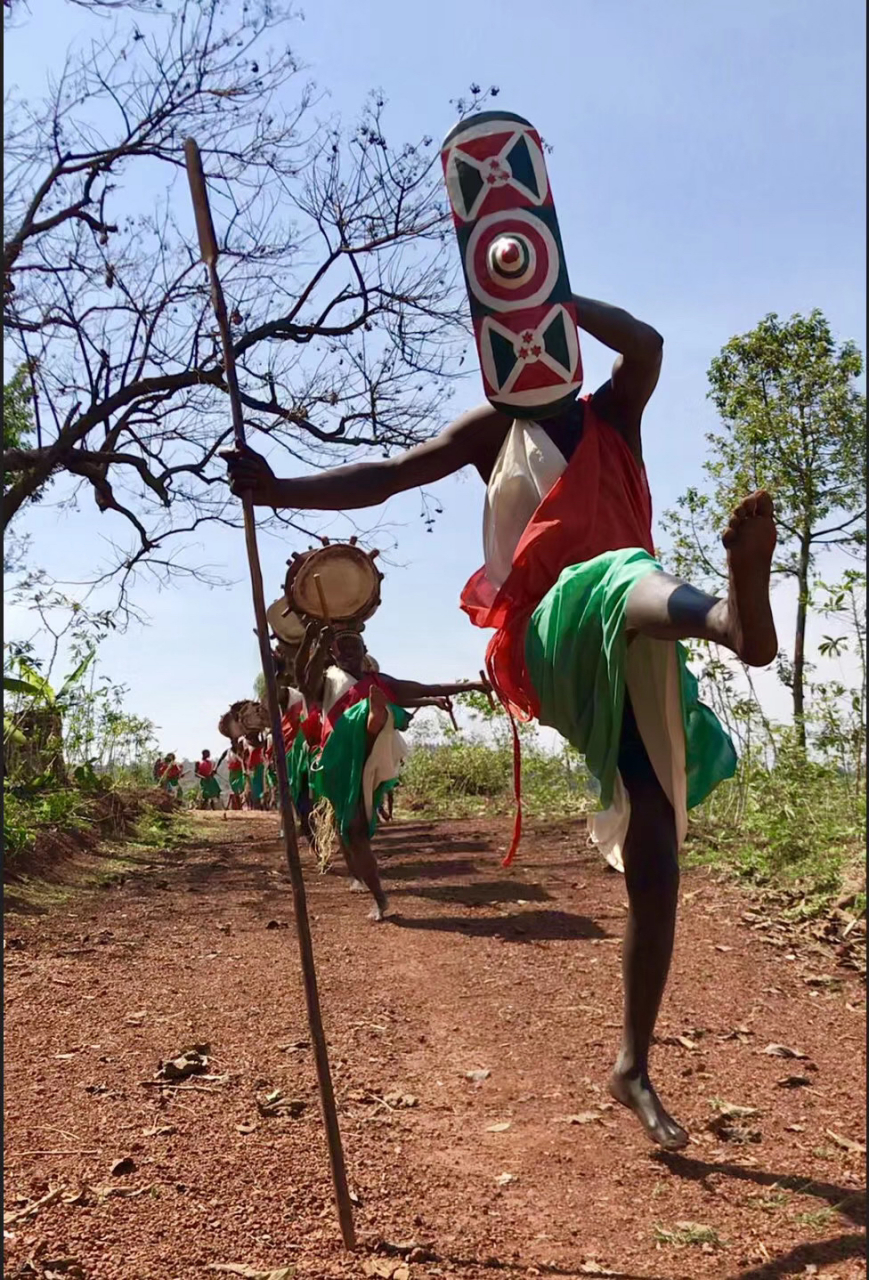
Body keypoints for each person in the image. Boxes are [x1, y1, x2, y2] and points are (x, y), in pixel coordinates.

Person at [224, 290, 778, 1151]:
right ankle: (731, 623)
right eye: (510, 327)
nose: (527, 339)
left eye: (541, 326)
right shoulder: (492, 431)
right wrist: (278, 485)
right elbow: (391, 475)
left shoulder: (612, 414)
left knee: (656, 851)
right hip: (551, 631)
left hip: (633, 642)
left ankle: (631, 1064)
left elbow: (647, 343)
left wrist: (549, 283)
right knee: (614, 570)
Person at [294, 618, 486, 920]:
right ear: (332, 653)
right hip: (340, 763)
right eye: (340, 645)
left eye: (352, 643)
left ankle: (374, 717)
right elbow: (304, 682)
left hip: (371, 754)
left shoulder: (380, 682)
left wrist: (468, 687)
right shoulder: (328, 681)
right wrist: (314, 644)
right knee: (352, 834)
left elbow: (425, 687)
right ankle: (379, 897)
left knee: (381, 712)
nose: (347, 649)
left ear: (364, 648)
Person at [244, 733, 266, 810]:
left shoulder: (258, 745)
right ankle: (256, 804)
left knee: (258, 786)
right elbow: (245, 757)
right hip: (254, 768)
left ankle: (259, 804)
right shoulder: (250, 747)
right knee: (255, 786)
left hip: (258, 767)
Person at [226, 740, 245, 811]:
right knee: (234, 789)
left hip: (239, 771)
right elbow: (222, 757)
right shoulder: (228, 751)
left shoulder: (239, 752)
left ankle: (240, 805)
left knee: (239, 788)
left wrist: (244, 771)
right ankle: (238, 806)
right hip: (232, 771)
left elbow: (242, 761)